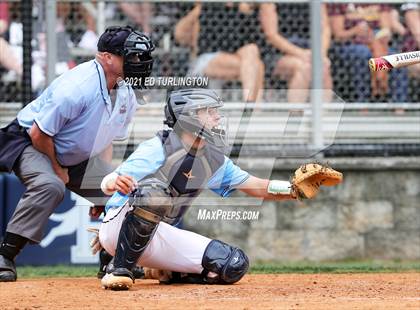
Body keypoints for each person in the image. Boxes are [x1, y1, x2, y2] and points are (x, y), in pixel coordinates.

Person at [97, 88, 340, 290]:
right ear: (189, 116)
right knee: (154, 195)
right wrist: (111, 183)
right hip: (117, 227)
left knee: (233, 264)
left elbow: (257, 187)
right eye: (209, 112)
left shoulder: (213, 160)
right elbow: (112, 181)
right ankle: (120, 268)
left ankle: (153, 269)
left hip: (157, 237)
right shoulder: (158, 147)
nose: (217, 118)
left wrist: (293, 188)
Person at [0, 26, 155, 282]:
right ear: (106, 57)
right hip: (31, 142)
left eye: (139, 57)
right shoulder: (77, 86)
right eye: (130, 56)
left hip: (74, 153)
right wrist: (58, 169)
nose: (138, 62)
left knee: (124, 191)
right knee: (49, 185)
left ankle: (112, 261)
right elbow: (40, 132)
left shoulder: (126, 91)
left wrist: (103, 187)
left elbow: (106, 141)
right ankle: (5, 255)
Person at [175, 3, 264, 102]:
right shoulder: (209, 7)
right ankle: (251, 109)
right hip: (205, 59)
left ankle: (252, 109)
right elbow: (179, 35)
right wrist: (198, 10)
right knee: (256, 67)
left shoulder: (240, 10)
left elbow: (248, 43)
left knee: (252, 50)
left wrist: (245, 10)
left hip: (236, 59)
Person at [328, 3, 408, 102]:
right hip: (350, 43)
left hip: (378, 44)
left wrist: (382, 35)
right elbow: (338, 35)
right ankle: (362, 103)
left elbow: (386, 29)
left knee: (398, 58)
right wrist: (356, 31)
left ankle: (399, 106)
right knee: (363, 53)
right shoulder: (339, 4)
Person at [260, 3, 333, 103]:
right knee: (304, 68)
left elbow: (325, 29)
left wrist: (320, 53)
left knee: (323, 67)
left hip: (311, 51)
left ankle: (322, 116)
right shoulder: (271, 3)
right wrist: (301, 54)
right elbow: (271, 35)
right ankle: (295, 116)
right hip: (280, 53)